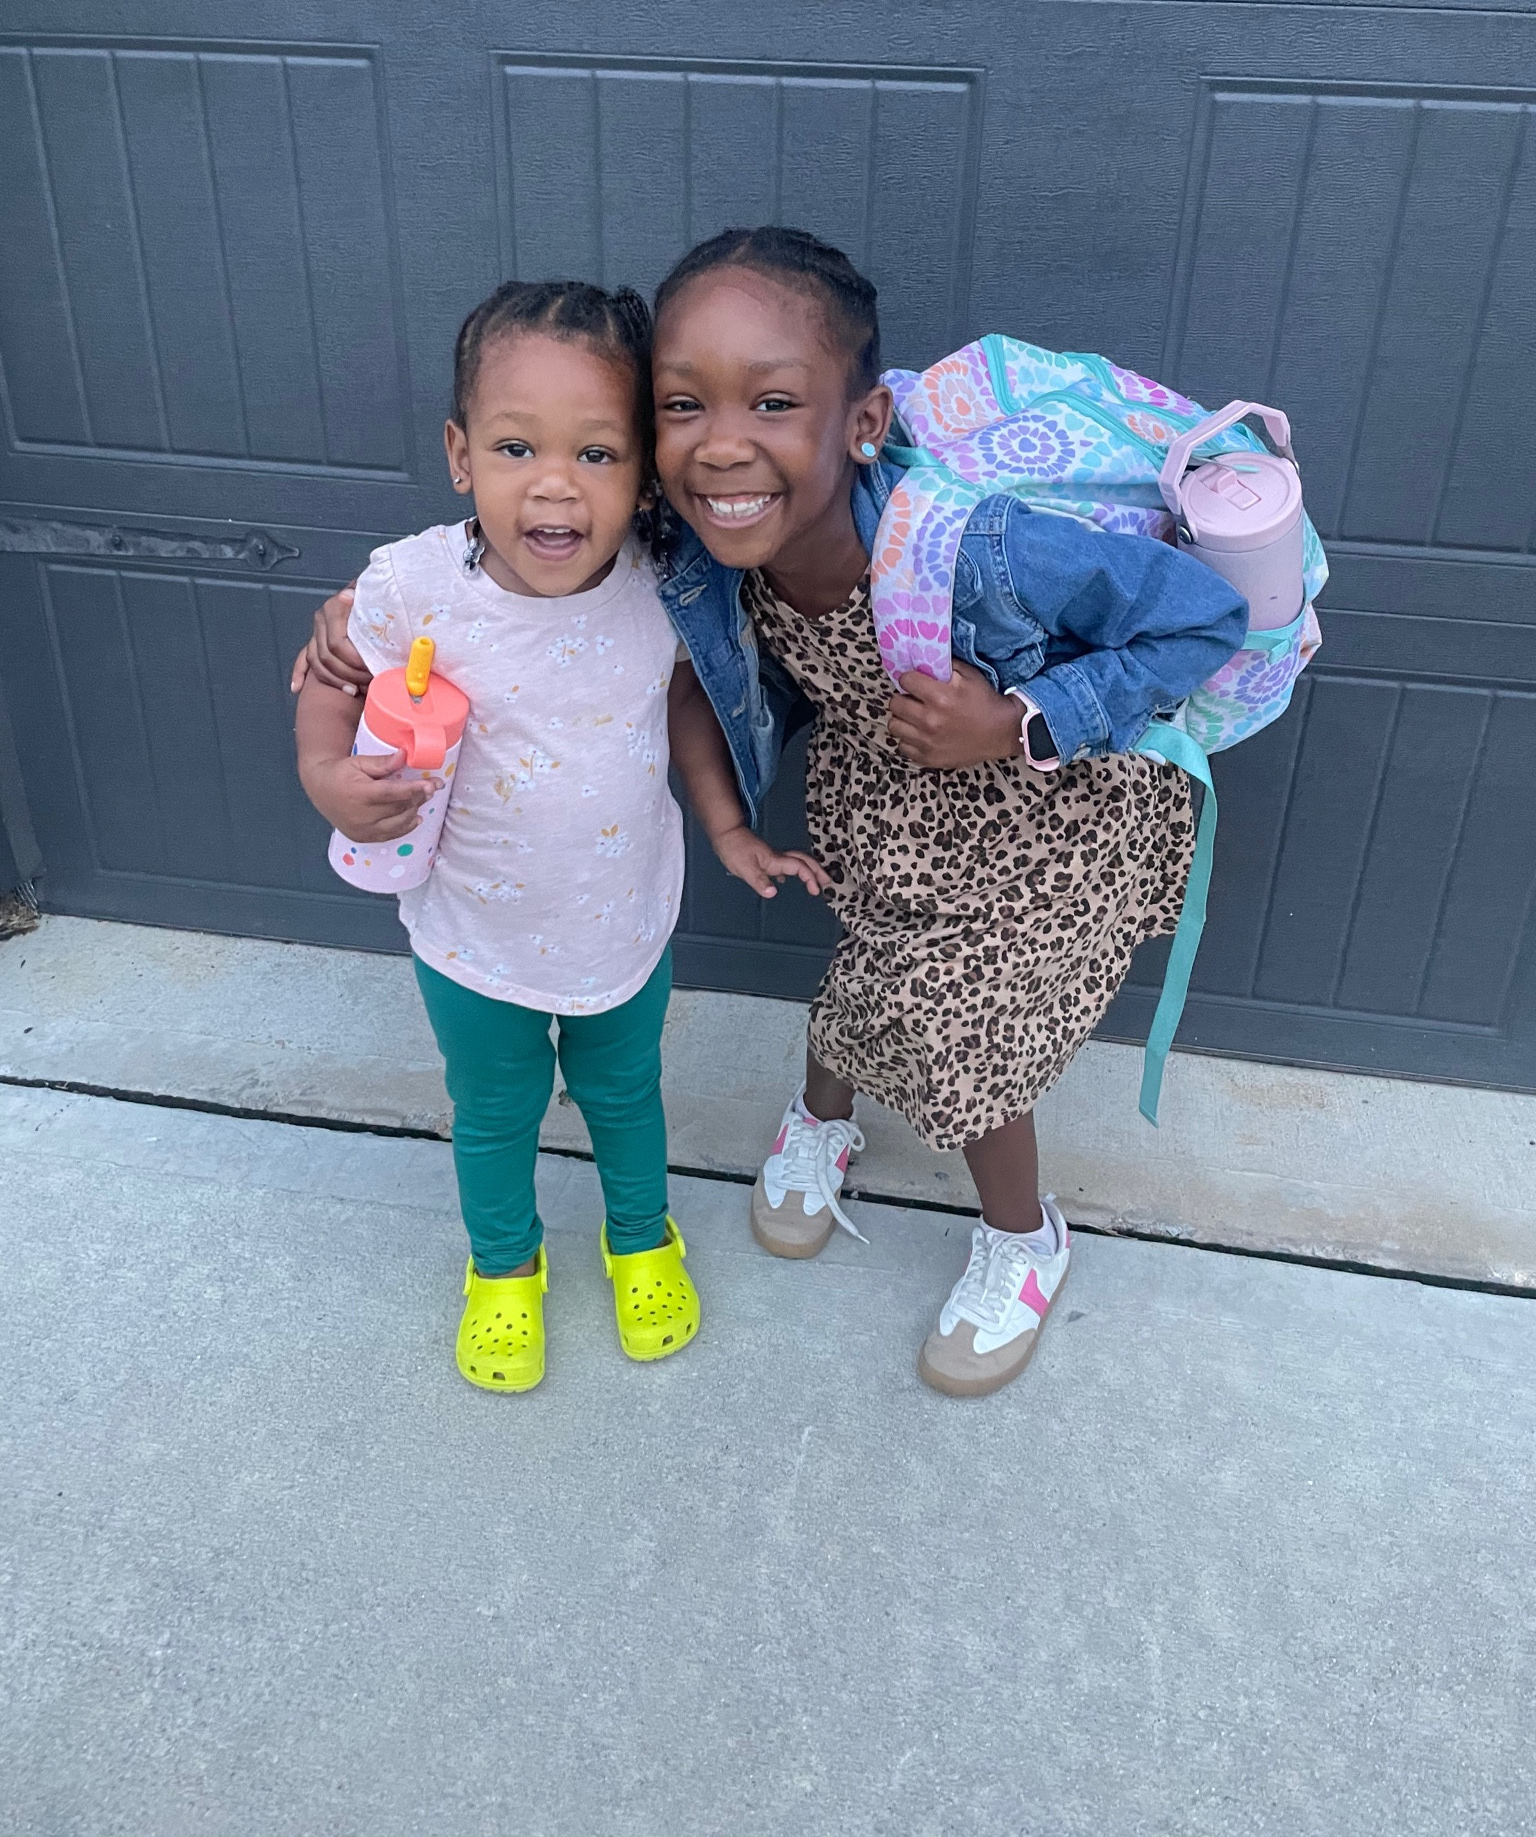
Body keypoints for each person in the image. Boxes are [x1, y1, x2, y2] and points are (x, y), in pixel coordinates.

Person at [299, 232, 1248, 1400]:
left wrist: (1018, 718)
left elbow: (1206, 618)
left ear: (862, 423)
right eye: (683, 405)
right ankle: (821, 1116)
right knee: (867, 969)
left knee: (969, 1029)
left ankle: (1024, 1235)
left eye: (775, 401)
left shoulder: (985, 550)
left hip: (1041, 806)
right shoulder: (693, 542)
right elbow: (492, 580)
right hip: (893, 798)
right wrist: (347, 625)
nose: (722, 443)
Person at [293, 277, 820, 1394]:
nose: (554, 484)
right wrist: (325, 774)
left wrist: (727, 824)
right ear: (459, 453)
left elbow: (685, 704)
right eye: (515, 446)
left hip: (620, 926)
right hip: (470, 937)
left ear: (643, 474)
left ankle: (640, 1238)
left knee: (627, 1096)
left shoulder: (662, 587)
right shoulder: (412, 585)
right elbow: (334, 683)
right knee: (494, 1110)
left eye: (596, 453)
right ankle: (503, 1265)